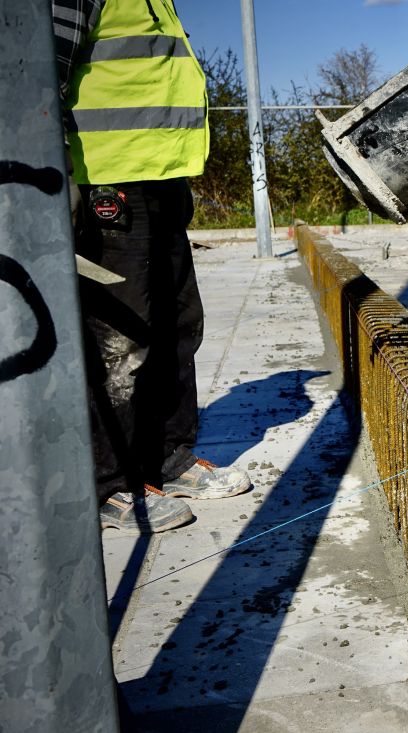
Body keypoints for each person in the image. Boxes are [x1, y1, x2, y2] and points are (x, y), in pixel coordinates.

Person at [53, 0, 251, 534]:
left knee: (176, 322)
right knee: (119, 338)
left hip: (161, 174)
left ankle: (168, 458)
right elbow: (38, 73)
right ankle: (109, 484)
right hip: (107, 176)